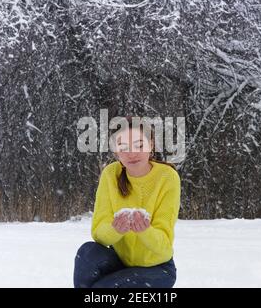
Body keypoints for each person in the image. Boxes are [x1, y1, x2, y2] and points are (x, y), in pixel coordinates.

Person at [73, 116, 181, 288]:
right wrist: (115, 229)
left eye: (139, 145)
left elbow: (163, 248)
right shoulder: (111, 174)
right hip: (119, 261)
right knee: (87, 253)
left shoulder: (167, 177)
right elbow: (99, 234)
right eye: (123, 147)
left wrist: (145, 231)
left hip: (157, 269)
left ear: (151, 144)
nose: (131, 153)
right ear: (116, 152)